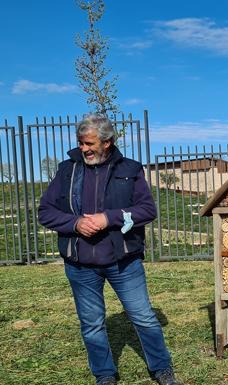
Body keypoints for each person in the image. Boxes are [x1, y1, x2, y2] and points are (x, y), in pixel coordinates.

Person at [38, 114, 182, 385]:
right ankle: (104, 375)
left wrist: (109, 218)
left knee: (143, 317)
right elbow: (45, 212)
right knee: (92, 324)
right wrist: (75, 223)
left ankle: (162, 368)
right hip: (80, 263)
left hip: (123, 261)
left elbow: (147, 210)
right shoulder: (67, 170)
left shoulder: (130, 169)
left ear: (107, 142)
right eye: (80, 143)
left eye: (89, 143)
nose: (84, 149)